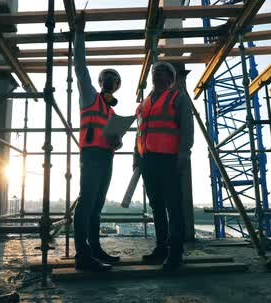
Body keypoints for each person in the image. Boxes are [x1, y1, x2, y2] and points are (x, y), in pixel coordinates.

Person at [133, 61, 194, 271]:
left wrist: (184, 154)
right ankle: (161, 249)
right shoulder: (144, 104)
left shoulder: (178, 98)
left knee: (173, 207)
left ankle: (175, 253)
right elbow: (139, 133)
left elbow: (187, 128)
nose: (157, 75)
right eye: (155, 72)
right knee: (157, 206)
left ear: (170, 79)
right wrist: (136, 157)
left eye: (161, 72)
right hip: (148, 160)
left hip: (169, 159)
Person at [73, 12, 122, 272]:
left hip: (105, 156)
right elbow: (80, 68)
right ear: (103, 82)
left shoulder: (111, 110)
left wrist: (117, 141)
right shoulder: (90, 96)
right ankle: (83, 255)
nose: (112, 82)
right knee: (87, 202)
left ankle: (94, 250)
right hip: (91, 155)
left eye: (115, 80)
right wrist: (80, 34)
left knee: (97, 205)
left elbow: (111, 135)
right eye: (109, 78)